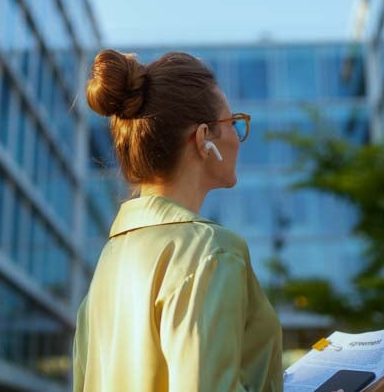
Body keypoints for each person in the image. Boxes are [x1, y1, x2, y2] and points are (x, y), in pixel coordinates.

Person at [73, 49, 283, 391]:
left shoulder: (109, 264)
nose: (237, 136)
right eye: (232, 123)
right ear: (204, 139)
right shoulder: (210, 252)